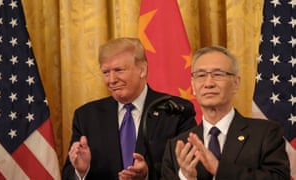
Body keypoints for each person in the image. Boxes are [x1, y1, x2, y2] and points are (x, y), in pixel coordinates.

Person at [62, 37, 197, 180]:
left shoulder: (175, 112)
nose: (111, 80)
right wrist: (82, 172)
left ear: (142, 70)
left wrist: (147, 175)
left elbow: (189, 171)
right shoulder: (87, 117)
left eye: (119, 70)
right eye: (106, 72)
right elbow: (68, 175)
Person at [161, 46, 290, 180]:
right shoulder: (178, 146)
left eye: (217, 74)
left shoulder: (265, 134)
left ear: (235, 83)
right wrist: (186, 177)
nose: (208, 83)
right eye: (201, 75)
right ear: (193, 86)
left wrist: (219, 169)